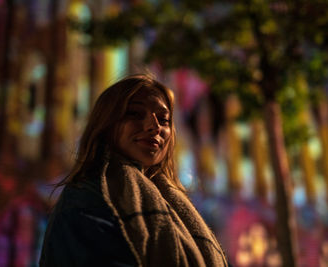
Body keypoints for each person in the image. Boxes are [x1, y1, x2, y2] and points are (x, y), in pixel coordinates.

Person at [39, 74, 229, 267]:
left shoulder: (173, 203)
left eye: (164, 119)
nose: (154, 126)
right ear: (107, 123)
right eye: (135, 114)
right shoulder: (86, 200)